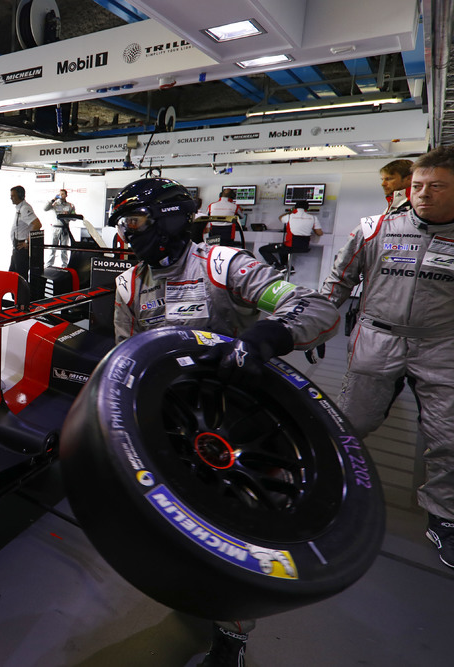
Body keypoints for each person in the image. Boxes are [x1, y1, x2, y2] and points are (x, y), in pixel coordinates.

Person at [110, 177, 339, 667]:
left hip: (234, 421)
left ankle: (231, 634)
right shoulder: (128, 283)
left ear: (169, 219)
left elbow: (317, 308)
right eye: (124, 224)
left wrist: (265, 337)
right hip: (169, 419)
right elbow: (123, 355)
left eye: (135, 221)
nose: (128, 233)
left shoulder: (223, 265)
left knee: (233, 532)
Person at [320, 146, 454, 570]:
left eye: (437, 186)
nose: (423, 194)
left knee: (448, 437)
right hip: (377, 338)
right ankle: (326, 485)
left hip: (442, 345)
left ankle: (445, 516)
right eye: (418, 185)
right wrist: (314, 326)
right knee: (350, 422)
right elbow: (337, 283)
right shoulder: (375, 228)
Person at [259, 201, 322, 272]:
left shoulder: (289, 216)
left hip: (290, 246)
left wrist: (291, 212)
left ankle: (278, 266)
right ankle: (288, 267)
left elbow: (280, 218)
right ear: (307, 208)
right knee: (282, 248)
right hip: (304, 247)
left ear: (295, 207)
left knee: (263, 249)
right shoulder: (313, 218)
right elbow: (319, 233)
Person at [9, 185, 41, 279]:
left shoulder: (24, 208)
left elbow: (37, 224)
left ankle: (22, 290)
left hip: (21, 248)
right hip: (17, 247)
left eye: (13, 196)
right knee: (12, 275)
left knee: (20, 277)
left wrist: (27, 241)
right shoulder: (20, 208)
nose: (11, 198)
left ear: (20, 196)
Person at [44, 188, 76, 267]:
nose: (61, 195)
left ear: (66, 195)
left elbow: (74, 217)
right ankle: (49, 265)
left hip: (65, 229)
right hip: (55, 228)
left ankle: (64, 265)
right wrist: (53, 199)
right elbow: (45, 208)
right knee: (52, 247)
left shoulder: (70, 205)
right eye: (60, 194)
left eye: (63, 194)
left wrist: (68, 215)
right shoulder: (55, 204)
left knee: (64, 249)